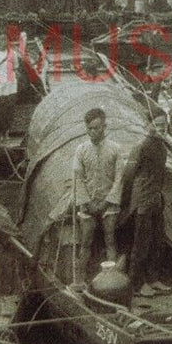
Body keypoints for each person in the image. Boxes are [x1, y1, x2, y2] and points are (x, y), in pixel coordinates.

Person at [120, 117, 171, 296]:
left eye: (164, 126)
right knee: (142, 243)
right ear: (149, 126)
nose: (161, 129)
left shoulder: (162, 147)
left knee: (158, 241)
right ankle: (136, 284)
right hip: (143, 200)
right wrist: (129, 202)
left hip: (156, 200)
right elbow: (129, 175)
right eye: (158, 125)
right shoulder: (141, 147)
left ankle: (153, 278)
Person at [71, 107, 124, 278]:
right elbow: (78, 178)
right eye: (89, 128)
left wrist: (106, 202)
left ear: (104, 127)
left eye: (96, 128)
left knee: (110, 239)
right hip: (88, 205)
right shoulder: (81, 150)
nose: (93, 132)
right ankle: (80, 279)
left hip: (109, 205)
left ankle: (112, 278)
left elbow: (119, 179)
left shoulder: (115, 149)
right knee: (85, 241)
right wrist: (88, 203)